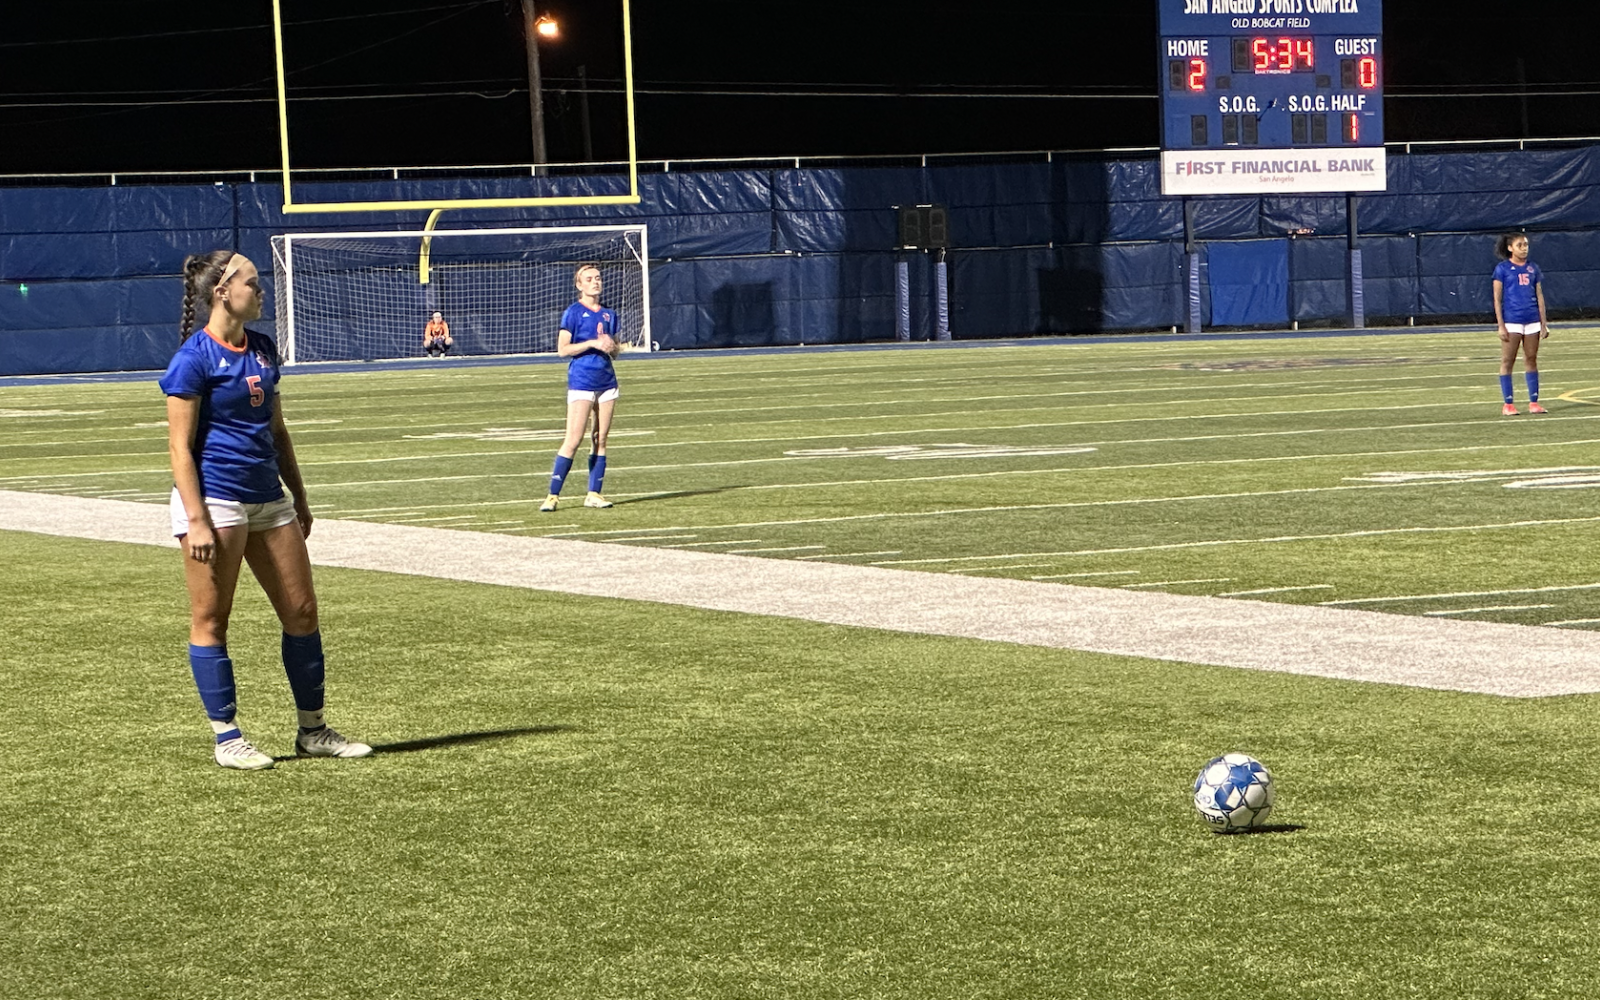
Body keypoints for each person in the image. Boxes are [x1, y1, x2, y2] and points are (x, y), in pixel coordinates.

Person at [160, 250, 371, 770]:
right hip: (215, 500)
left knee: (302, 612)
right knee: (212, 618)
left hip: (268, 498)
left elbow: (276, 431)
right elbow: (179, 448)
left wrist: (299, 496)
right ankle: (227, 737)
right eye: (254, 284)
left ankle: (313, 730)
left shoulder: (261, 348)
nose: (262, 292)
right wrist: (196, 517)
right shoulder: (193, 358)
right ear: (222, 292)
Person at [540, 263, 621, 512]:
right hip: (582, 381)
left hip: (606, 382)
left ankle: (594, 493)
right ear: (579, 285)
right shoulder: (573, 313)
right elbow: (563, 349)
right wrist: (593, 344)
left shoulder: (610, 315)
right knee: (573, 439)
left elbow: (616, 351)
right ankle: (553, 496)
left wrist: (611, 346)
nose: (595, 282)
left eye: (598, 278)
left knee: (600, 438)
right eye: (589, 279)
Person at [1493, 232, 1551, 415]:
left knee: (1531, 359)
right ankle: (1508, 404)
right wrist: (1500, 325)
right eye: (1520, 245)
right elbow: (1497, 299)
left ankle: (1534, 402)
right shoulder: (1502, 269)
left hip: (1532, 320)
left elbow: (1539, 295)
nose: (1524, 248)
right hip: (1512, 321)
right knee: (1507, 361)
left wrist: (1543, 322)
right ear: (1510, 248)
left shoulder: (1533, 268)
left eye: (1526, 245)